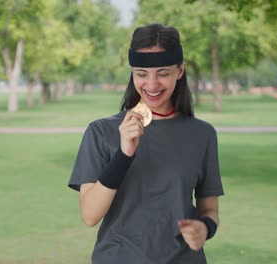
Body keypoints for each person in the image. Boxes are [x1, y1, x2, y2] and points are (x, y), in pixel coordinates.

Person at [68, 23, 224, 264]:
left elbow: (209, 210)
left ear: (180, 71)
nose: (151, 85)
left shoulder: (202, 134)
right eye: (142, 73)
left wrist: (204, 228)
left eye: (163, 73)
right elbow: (89, 215)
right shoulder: (101, 131)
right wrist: (124, 154)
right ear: (132, 72)